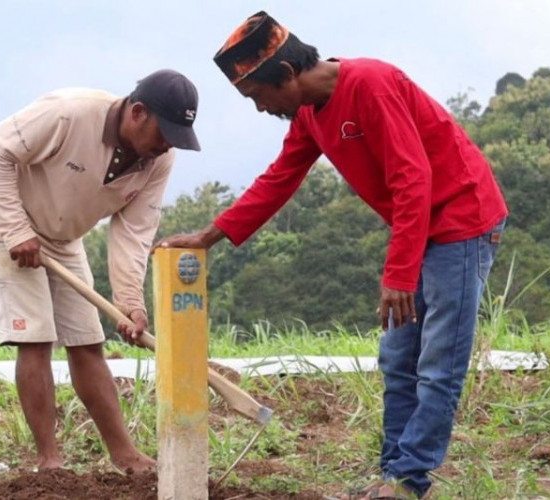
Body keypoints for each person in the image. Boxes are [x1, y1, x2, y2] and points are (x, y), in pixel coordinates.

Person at [155, 11, 507, 499]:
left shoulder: (371, 84)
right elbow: (279, 178)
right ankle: (393, 477)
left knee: (437, 362)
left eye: (258, 96)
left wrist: (399, 274)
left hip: (462, 222)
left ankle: (408, 481)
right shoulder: (307, 115)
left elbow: (413, 178)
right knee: (397, 356)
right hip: (417, 229)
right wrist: (208, 237)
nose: (259, 109)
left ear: (285, 74)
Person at [0, 69, 200, 472]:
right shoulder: (69, 113)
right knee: (36, 339)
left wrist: (130, 302)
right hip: (5, 226)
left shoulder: (157, 161)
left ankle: (124, 453)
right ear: (137, 112)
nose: (166, 147)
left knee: (87, 341)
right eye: (163, 134)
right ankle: (49, 460)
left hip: (63, 237)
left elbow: (133, 232)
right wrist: (17, 229)